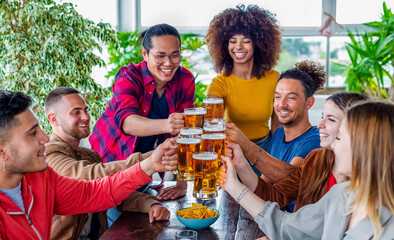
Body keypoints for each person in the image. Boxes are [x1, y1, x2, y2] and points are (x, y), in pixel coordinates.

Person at [0, 90, 178, 240]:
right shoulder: (50, 157)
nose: (44, 138)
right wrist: (149, 161)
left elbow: (94, 192)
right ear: (2, 151)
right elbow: (91, 175)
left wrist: (151, 169)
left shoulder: (41, 178)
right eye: (32, 133)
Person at [220, 100, 394, 239]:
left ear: (365, 149)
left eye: (339, 138)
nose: (333, 145)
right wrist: (232, 183)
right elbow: (287, 226)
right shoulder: (342, 194)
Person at [89, 24, 195, 203]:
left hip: (145, 167)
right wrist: (168, 124)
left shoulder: (185, 80)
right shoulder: (128, 77)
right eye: (160, 56)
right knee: (105, 223)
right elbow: (128, 123)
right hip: (109, 162)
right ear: (145, 54)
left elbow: (183, 135)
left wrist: (181, 183)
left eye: (174, 55)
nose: (168, 63)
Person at [226, 92, 367, 213]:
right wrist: (240, 163)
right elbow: (275, 196)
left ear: (354, 127)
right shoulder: (317, 158)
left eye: (330, 119)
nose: (319, 125)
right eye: (322, 116)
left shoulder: (367, 180)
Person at [226, 60, 325, 211]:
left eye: (291, 98)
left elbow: (291, 178)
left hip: (297, 225)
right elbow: (265, 187)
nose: (281, 104)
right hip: (277, 217)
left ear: (309, 103)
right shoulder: (278, 134)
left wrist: (246, 146)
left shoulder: (315, 140)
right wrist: (238, 161)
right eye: (277, 97)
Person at [206, 4, 282, 151]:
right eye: (232, 41)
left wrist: (276, 153)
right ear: (224, 45)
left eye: (246, 41)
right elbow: (212, 119)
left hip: (265, 148)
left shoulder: (274, 78)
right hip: (233, 148)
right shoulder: (220, 83)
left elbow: (277, 125)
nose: (238, 46)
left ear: (258, 44)